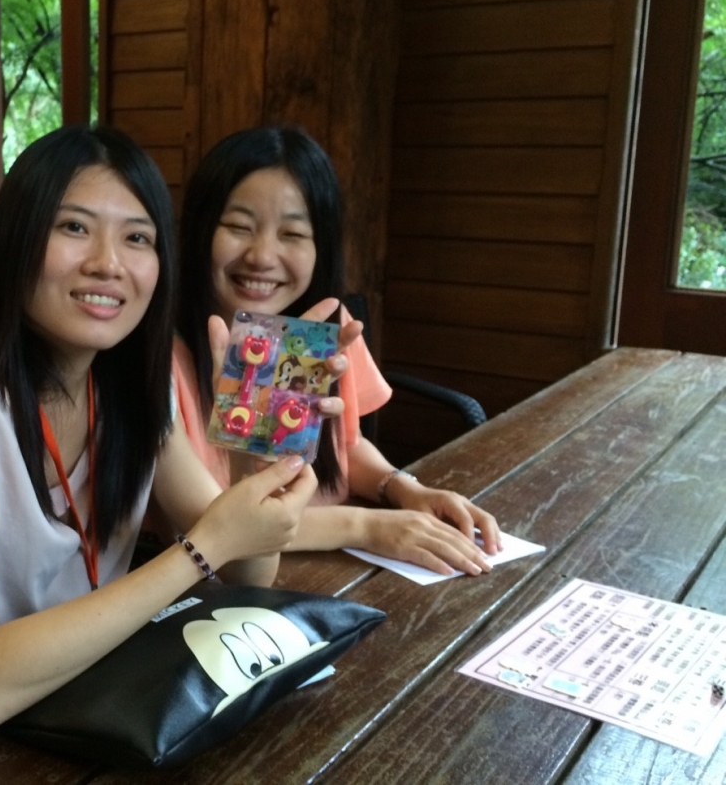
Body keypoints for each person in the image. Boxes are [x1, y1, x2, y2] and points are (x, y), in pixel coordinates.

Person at [0, 126, 317, 780]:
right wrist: (200, 549)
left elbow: (249, 572)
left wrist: (255, 461)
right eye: (75, 228)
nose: (108, 263)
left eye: (137, 238)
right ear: (16, 242)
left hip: (77, 692)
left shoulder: (129, 392)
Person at [175, 126, 501, 576]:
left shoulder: (325, 327)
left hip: (334, 570)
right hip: (222, 584)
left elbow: (345, 445)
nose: (262, 255)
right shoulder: (160, 355)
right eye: (238, 227)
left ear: (321, 247)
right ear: (199, 230)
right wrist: (364, 526)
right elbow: (208, 527)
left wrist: (403, 489)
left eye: (293, 233)